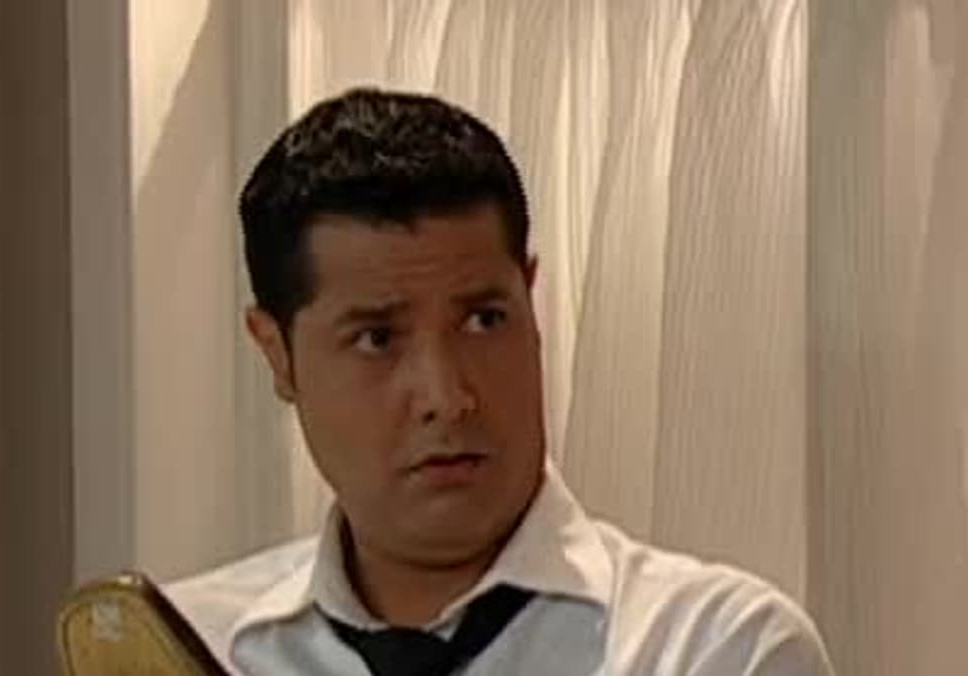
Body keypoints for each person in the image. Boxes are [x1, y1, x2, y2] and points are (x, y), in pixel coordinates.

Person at [167, 88, 833, 676]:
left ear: (531, 304)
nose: (447, 397)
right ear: (277, 355)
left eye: (484, 320)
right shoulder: (186, 650)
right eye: (377, 339)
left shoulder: (718, 651)